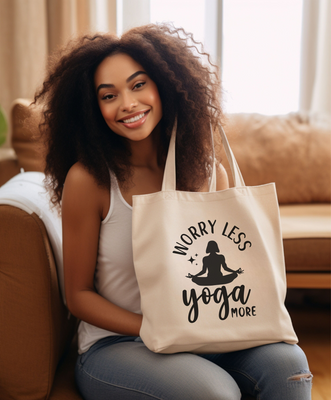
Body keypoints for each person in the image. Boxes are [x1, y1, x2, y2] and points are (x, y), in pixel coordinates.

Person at [34, 24, 312, 400]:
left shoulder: (209, 170)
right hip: (121, 344)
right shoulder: (90, 180)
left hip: (212, 331)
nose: (128, 104)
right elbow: (79, 295)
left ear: (165, 85)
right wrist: (157, 325)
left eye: (138, 85)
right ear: (92, 108)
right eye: (108, 95)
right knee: (214, 393)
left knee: (289, 367)